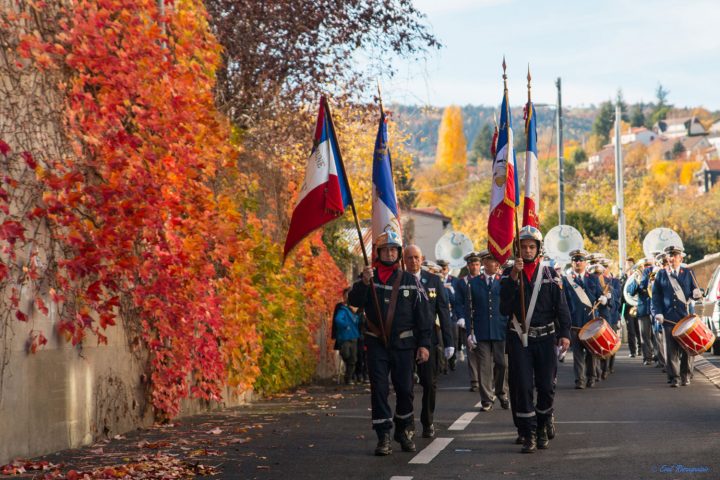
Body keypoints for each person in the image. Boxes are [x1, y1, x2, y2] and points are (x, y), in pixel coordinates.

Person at [348, 231, 431, 456]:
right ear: (378, 253)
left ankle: (403, 431)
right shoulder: (368, 277)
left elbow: (423, 316)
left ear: (399, 253)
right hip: (376, 344)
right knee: (379, 389)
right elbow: (353, 301)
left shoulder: (410, 280)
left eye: (394, 249)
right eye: (385, 250)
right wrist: (364, 283)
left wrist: (424, 344)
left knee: (405, 389)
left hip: (404, 346)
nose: (390, 253)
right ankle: (383, 434)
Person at [500, 226, 571, 454]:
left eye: (532, 246)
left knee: (546, 387)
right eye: (523, 246)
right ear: (517, 249)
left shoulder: (551, 275)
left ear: (539, 249)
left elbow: (561, 308)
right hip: (519, 339)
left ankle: (542, 426)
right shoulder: (508, 275)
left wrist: (565, 334)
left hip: (546, 338)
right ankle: (528, 433)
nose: (527, 250)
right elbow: (503, 308)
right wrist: (513, 277)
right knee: (522, 387)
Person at [404, 245, 454, 439]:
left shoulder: (433, 280)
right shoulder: (400, 280)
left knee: (429, 383)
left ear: (422, 258)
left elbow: (443, 311)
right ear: (404, 260)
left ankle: (428, 421)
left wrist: (449, 342)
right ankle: (407, 423)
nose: (413, 262)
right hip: (406, 340)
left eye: (416, 258)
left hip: (429, 339)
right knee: (405, 384)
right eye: (409, 258)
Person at [463, 249, 509, 411]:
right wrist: (470, 332)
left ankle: (502, 392)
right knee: (484, 366)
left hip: (500, 329)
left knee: (502, 364)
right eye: (492, 260)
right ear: (484, 263)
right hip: (482, 330)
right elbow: (469, 309)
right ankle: (487, 399)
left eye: (497, 261)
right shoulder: (474, 283)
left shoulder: (503, 281)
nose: (496, 263)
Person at [651, 245, 702, 387]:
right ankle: (675, 377)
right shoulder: (661, 274)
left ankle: (686, 375)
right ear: (667, 258)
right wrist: (658, 312)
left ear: (681, 257)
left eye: (675, 255)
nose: (672, 258)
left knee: (687, 349)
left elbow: (694, 291)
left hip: (685, 317)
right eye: (670, 255)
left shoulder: (688, 272)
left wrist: (696, 295)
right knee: (671, 349)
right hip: (668, 317)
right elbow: (656, 296)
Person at [562, 249, 603, 389]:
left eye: (580, 260)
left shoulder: (593, 278)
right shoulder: (566, 280)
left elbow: (599, 295)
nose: (577, 262)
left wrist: (603, 298)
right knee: (577, 353)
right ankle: (579, 380)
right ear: (572, 262)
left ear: (585, 262)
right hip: (574, 321)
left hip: (590, 321)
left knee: (591, 353)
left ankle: (591, 377)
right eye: (575, 260)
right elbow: (564, 301)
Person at [455, 251, 483, 392]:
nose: (475, 267)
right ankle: (474, 381)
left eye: (477, 264)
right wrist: (460, 317)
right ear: (468, 266)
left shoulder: (484, 279)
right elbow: (458, 302)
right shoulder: (461, 282)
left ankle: (485, 378)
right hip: (468, 320)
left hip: (482, 320)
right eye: (472, 264)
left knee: (484, 350)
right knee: (471, 350)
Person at [627, 257, 656, 365]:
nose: (647, 268)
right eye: (645, 266)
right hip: (643, 309)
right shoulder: (637, 277)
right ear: (642, 267)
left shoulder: (656, 275)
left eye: (649, 266)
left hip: (655, 309)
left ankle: (658, 357)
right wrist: (637, 281)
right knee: (644, 335)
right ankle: (647, 358)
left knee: (656, 334)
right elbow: (630, 291)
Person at [332, 287, 361, 385]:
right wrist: (346, 325)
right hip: (344, 337)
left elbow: (358, 321)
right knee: (346, 354)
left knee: (353, 359)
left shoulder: (355, 309)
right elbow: (338, 320)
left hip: (354, 336)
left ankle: (348, 378)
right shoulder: (342, 309)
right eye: (346, 295)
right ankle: (348, 375)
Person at [437, 259, 461, 371]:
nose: (443, 271)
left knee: (454, 338)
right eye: (440, 269)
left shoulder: (455, 281)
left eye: (444, 268)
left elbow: (458, 300)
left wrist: (451, 291)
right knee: (441, 340)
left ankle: (452, 358)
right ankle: (444, 364)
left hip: (452, 315)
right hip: (440, 316)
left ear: (448, 269)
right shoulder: (436, 280)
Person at [621, 258, 642, 358]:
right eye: (627, 265)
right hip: (628, 307)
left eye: (630, 265)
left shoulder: (637, 276)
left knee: (639, 329)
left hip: (637, 306)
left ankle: (640, 349)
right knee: (631, 330)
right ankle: (632, 350)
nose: (628, 267)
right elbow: (621, 295)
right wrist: (621, 312)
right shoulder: (623, 278)